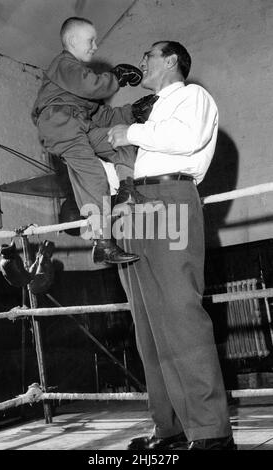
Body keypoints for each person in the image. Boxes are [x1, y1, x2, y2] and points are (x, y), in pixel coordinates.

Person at [108, 41, 236, 450]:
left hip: (171, 199)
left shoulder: (191, 96)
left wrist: (129, 131)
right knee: (146, 322)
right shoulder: (153, 109)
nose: (140, 60)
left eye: (149, 55)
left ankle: (211, 432)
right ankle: (170, 426)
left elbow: (185, 139)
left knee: (179, 315)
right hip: (134, 204)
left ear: (171, 61)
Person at [32, 16, 160, 265]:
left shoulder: (78, 83)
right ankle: (102, 243)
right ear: (71, 41)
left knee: (122, 140)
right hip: (59, 125)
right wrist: (116, 77)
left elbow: (102, 115)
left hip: (80, 124)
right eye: (90, 40)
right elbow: (94, 87)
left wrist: (132, 111)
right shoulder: (64, 64)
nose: (95, 46)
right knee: (94, 176)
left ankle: (127, 192)